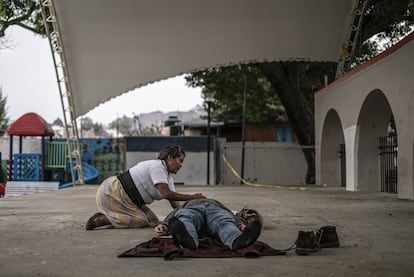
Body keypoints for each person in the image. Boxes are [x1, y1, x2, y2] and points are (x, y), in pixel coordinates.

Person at [86, 144, 206, 230]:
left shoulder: (168, 178)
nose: (181, 165)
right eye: (180, 160)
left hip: (130, 201)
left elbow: (174, 203)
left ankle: (113, 218)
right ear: (169, 157)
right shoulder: (158, 167)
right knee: (141, 221)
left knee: (152, 221)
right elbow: (167, 194)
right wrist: (192, 197)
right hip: (114, 193)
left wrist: (187, 216)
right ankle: (102, 219)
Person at [153, 198, 263, 251]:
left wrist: (239, 224)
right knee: (184, 218)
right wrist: (165, 224)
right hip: (193, 210)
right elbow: (176, 211)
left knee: (224, 221)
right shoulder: (188, 203)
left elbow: (229, 213)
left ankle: (237, 240)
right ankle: (188, 240)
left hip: (214, 210)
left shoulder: (217, 204)